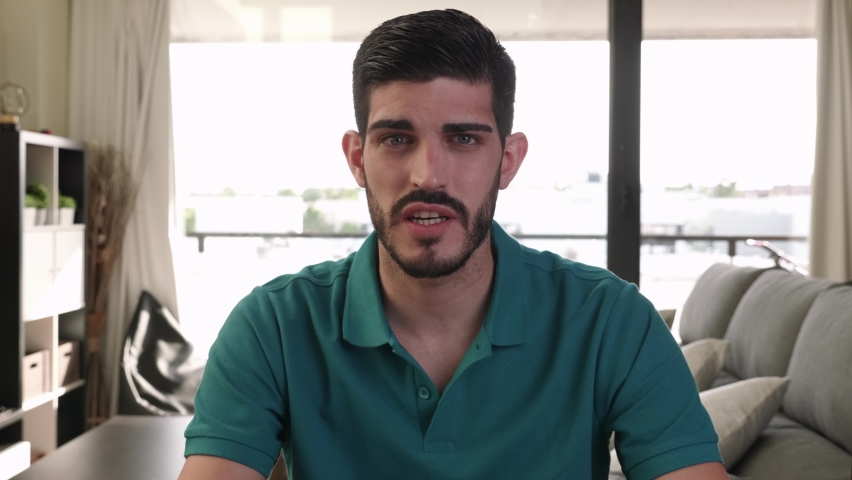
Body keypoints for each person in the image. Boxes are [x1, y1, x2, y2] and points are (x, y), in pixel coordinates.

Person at [179, 9, 727, 480]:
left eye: (463, 139)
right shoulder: (271, 326)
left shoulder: (612, 321)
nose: (427, 175)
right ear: (356, 159)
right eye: (396, 138)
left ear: (507, 161)